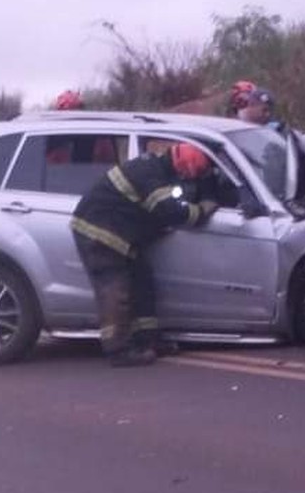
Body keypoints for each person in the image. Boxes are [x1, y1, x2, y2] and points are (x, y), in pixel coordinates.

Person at [71, 143, 216, 366]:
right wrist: (204, 209)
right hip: (99, 233)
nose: (190, 180)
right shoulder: (151, 175)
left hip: (122, 235)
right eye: (192, 176)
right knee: (114, 290)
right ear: (184, 169)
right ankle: (118, 351)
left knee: (142, 282)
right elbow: (173, 213)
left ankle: (146, 339)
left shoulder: (157, 169)